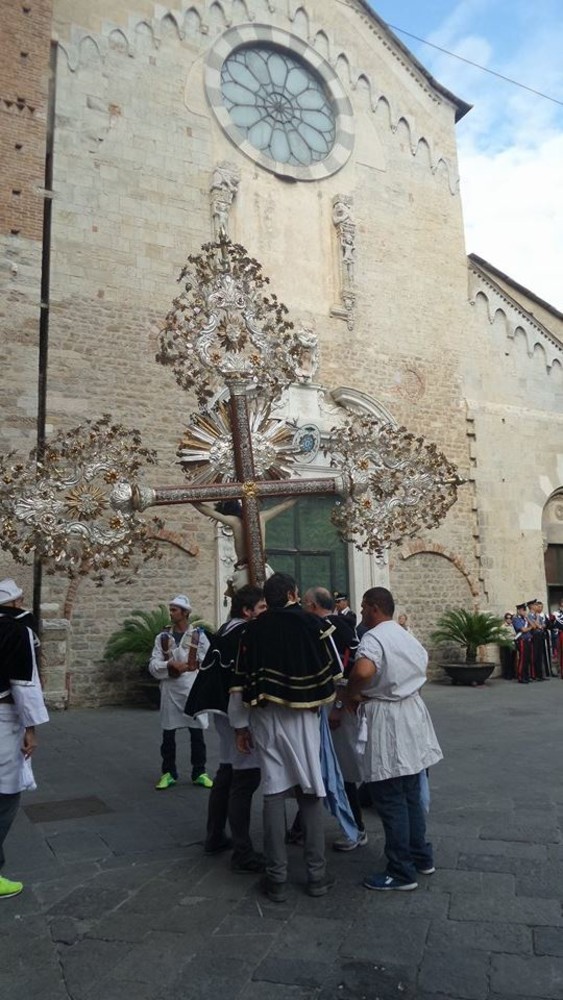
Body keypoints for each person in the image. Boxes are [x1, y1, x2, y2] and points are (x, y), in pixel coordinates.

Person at [229, 572, 342, 902]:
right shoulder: (314, 625)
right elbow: (335, 672)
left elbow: (238, 685)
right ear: (293, 593)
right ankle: (316, 876)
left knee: (274, 788)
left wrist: (239, 727)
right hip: (304, 718)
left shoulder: (251, 630)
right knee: (310, 787)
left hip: (265, 717)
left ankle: (277, 878)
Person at [342, 587, 443, 891]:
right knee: (411, 792)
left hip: (388, 717)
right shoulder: (403, 633)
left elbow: (363, 668)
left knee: (390, 797)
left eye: (363, 608)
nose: (361, 613)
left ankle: (401, 870)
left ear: (374, 608)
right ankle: (421, 856)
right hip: (412, 713)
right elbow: (421, 662)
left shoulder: (374, 638)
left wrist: (351, 691)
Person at [185, 585, 267, 872]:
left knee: (227, 770)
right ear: (247, 611)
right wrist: (242, 723)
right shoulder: (244, 633)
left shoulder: (228, 629)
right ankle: (242, 851)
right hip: (236, 714)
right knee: (244, 777)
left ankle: (215, 835)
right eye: (261, 609)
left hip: (226, 713)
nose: (264, 615)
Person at [301, 587, 365, 851]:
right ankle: (301, 827)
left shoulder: (328, 628)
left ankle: (356, 829)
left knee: (342, 768)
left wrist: (338, 705)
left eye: (305, 603)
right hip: (333, 708)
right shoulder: (342, 626)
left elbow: (345, 669)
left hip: (336, 710)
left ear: (314, 605)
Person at [0, 578, 49, 899]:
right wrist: (31, 728)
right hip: (4, 719)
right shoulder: (19, 630)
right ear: (17, 603)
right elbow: (24, 682)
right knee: (7, 792)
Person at [149, 594, 213, 789]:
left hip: (192, 689)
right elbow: (153, 665)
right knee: (168, 734)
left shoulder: (199, 636)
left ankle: (199, 772)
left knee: (197, 733)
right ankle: (169, 772)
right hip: (170, 690)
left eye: (175, 610)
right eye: (171, 609)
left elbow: (209, 661)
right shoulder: (162, 638)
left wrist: (192, 667)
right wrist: (170, 664)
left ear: (185, 613)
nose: (171, 613)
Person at [192, 498, 296, 590]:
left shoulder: (235, 521)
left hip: (243, 573)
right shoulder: (261, 517)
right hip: (263, 570)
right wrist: (302, 492)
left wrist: (190, 499)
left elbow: (207, 510)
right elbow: (285, 504)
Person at [513, 602, 532, 683]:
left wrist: (527, 619)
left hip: (528, 640)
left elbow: (533, 625)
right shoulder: (516, 619)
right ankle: (521, 676)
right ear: (518, 611)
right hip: (521, 640)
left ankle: (526, 676)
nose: (524, 612)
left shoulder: (525, 619)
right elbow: (523, 630)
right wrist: (530, 628)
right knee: (522, 659)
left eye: (524, 610)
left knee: (527, 659)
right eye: (522, 610)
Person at [499, 612, 517, 680]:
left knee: (513, 660)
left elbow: (514, 634)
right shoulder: (503, 627)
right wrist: (506, 641)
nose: (509, 620)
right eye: (508, 618)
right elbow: (500, 635)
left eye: (510, 618)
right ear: (505, 619)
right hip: (507, 644)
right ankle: (507, 675)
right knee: (507, 660)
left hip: (513, 643)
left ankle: (512, 673)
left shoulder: (512, 626)